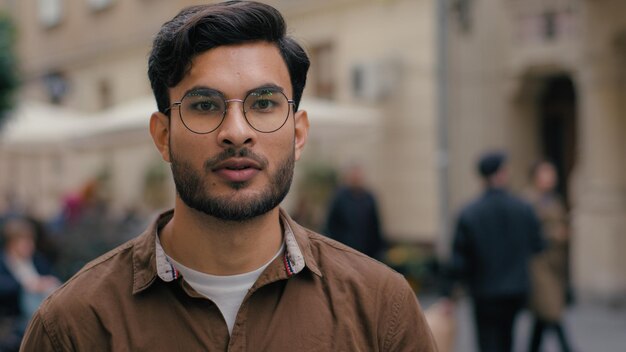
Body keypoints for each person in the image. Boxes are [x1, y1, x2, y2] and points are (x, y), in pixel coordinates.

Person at [20, 2, 436, 351]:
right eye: (204, 106)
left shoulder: (380, 308)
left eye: (264, 103)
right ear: (163, 136)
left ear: (298, 132)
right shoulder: (74, 327)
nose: (237, 131)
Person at [444, 151, 544, 352]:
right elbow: (538, 245)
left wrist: (449, 293)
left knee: (487, 341)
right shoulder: (523, 208)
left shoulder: (470, 212)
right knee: (507, 338)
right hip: (515, 289)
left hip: (484, 290)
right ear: (502, 173)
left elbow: (460, 258)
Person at [524, 160, 573, 352]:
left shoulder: (553, 199)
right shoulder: (529, 200)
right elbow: (529, 231)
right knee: (552, 311)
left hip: (554, 264)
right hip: (539, 265)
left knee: (543, 317)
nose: (551, 178)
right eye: (546, 174)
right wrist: (555, 233)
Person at [0, 218, 59, 351]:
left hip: (43, 313)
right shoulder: (3, 262)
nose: (29, 245)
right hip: (14, 321)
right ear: (11, 243)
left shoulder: (37, 259)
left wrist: (46, 282)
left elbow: (51, 276)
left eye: (30, 241)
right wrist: (25, 286)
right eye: (24, 242)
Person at [325, 163, 385, 259]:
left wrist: (379, 250)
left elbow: (375, 225)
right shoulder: (339, 198)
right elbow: (331, 226)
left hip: (365, 252)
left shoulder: (369, 198)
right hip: (343, 251)